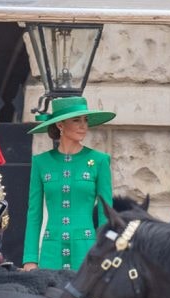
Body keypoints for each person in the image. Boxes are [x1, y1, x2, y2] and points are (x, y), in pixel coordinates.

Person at [23, 96, 115, 271]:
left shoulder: (99, 161)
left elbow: (106, 214)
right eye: (76, 120)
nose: (83, 126)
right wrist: (30, 258)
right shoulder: (41, 162)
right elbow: (34, 213)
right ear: (60, 125)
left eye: (85, 120)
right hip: (50, 253)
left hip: (87, 252)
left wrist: (106, 252)